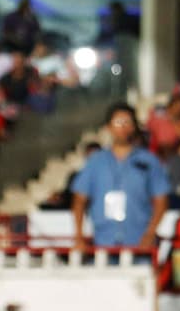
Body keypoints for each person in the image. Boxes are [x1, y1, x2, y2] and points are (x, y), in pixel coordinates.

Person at [71, 103, 170, 250]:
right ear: (108, 127)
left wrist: (150, 233)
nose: (123, 127)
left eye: (127, 122)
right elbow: (79, 200)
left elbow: (161, 200)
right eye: (118, 122)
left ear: (134, 126)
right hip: (104, 242)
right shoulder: (96, 161)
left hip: (139, 242)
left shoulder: (149, 160)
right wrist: (79, 236)